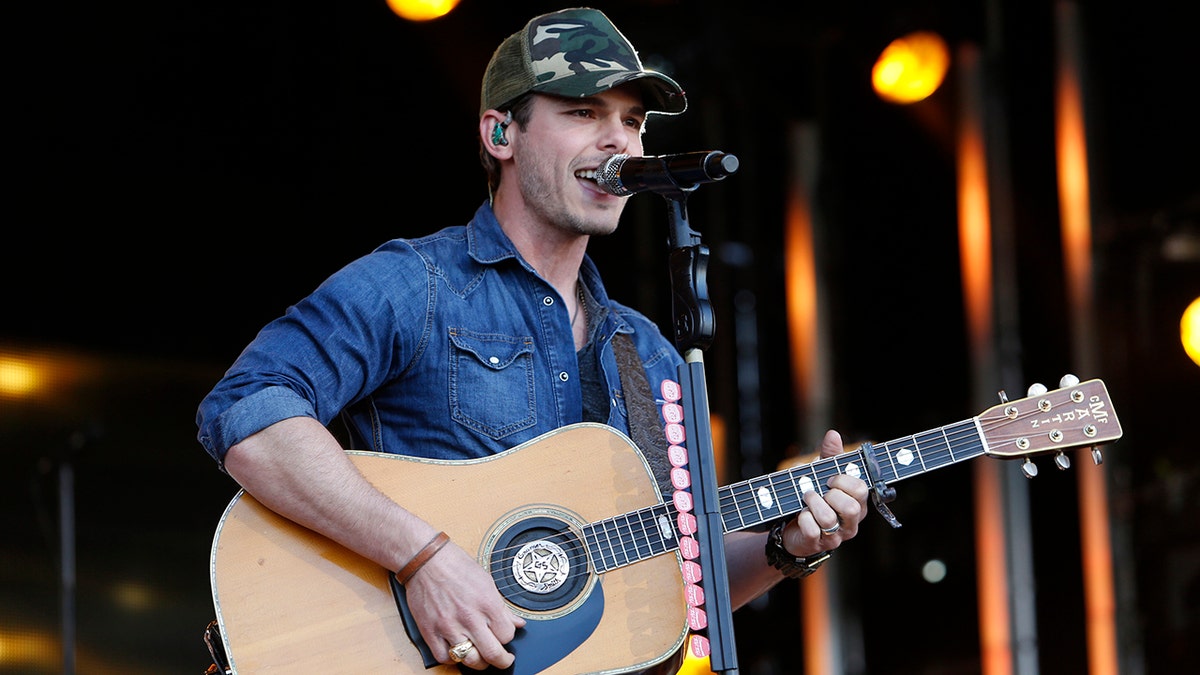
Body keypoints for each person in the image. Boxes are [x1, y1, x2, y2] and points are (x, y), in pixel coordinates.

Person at [196, 7, 869, 673]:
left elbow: (675, 582)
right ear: (499, 133)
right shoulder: (415, 284)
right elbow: (247, 412)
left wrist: (789, 545)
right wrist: (423, 555)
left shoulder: (651, 354)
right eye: (584, 112)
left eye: (632, 121)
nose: (620, 143)